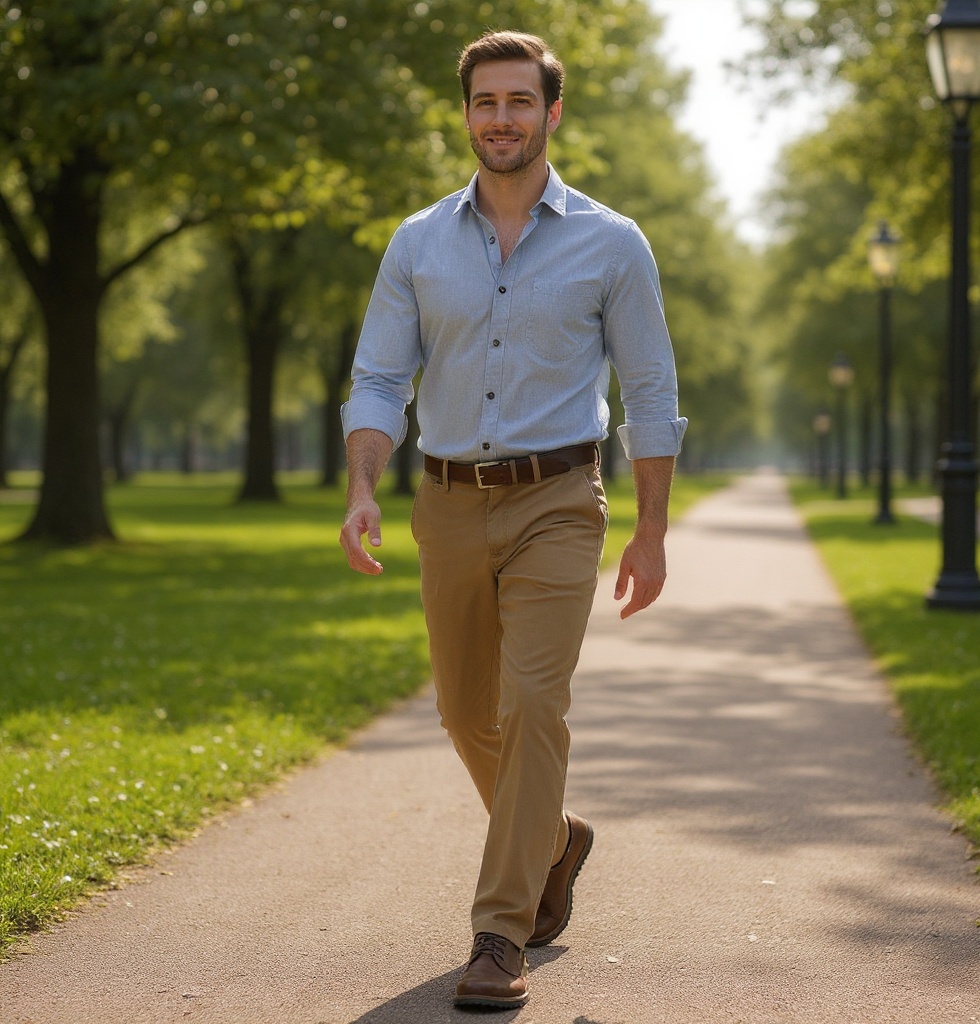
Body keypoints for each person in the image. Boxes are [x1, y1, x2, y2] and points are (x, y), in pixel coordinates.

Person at [339, 29, 686, 1010]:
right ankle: (558, 838)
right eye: (484, 102)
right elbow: (377, 378)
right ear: (466, 114)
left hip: (558, 499)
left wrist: (651, 528)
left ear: (551, 113)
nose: (501, 118)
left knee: (534, 701)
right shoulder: (417, 242)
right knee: (462, 710)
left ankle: (501, 931)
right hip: (445, 501)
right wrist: (363, 487)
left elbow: (649, 390)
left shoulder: (611, 242)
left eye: (518, 102)